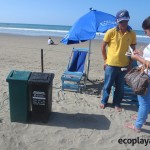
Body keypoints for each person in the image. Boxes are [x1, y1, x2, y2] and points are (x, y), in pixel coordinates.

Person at [100, 9, 136, 112]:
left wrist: (130, 64)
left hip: (124, 65)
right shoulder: (110, 32)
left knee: (120, 87)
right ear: (117, 21)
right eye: (121, 21)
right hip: (110, 65)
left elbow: (133, 50)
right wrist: (105, 60)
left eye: (125, 21)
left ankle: (116, 103)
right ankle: (104, 101)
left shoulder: (132, 34)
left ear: (128, 21)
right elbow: (103, 47)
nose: (123, 23)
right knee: (107, 85)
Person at [125, 16, 150, 132]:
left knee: (144, 101)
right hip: (146, 74)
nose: (145, 34)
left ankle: (138, 126)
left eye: (146, 31)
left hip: (147, 76)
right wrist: (140, 53)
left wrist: (137, 58)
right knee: (145, 100)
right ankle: (142, 117)